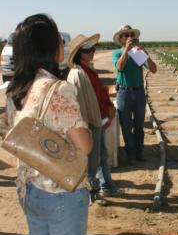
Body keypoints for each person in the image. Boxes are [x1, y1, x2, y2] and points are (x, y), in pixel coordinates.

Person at [5, 14, 100, 235]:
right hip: (61, 193)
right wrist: (87, 128)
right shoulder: (59, 89)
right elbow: (85, 145)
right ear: (50, 48)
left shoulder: (15, 90)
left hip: (29, 190)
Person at [67, 34, 120, 200]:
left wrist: (109, 108)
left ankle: (107, 186)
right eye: (87, 50)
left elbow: (98, 95)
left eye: (93, 49)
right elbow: (82, 105)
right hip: (90, 123)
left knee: (101, 155)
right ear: (78, 53)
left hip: (97, 120)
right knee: (92, 160)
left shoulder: (88, 71)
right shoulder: (78, 74)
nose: (92, 52)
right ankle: (92, 192)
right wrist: (92, 123)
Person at [112, 24, 157, 164]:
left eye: (131, 35)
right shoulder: (117, 53)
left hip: (138, 92)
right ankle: (130, 154)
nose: (129, 38)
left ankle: (139, 153)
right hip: (124, 92)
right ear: (120, 39)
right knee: (126, 125)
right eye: (125, 35)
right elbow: (120, 67)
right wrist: (126, 50)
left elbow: (153, 69)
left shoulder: (138, 54)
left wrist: (145, 54)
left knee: (138, 125)